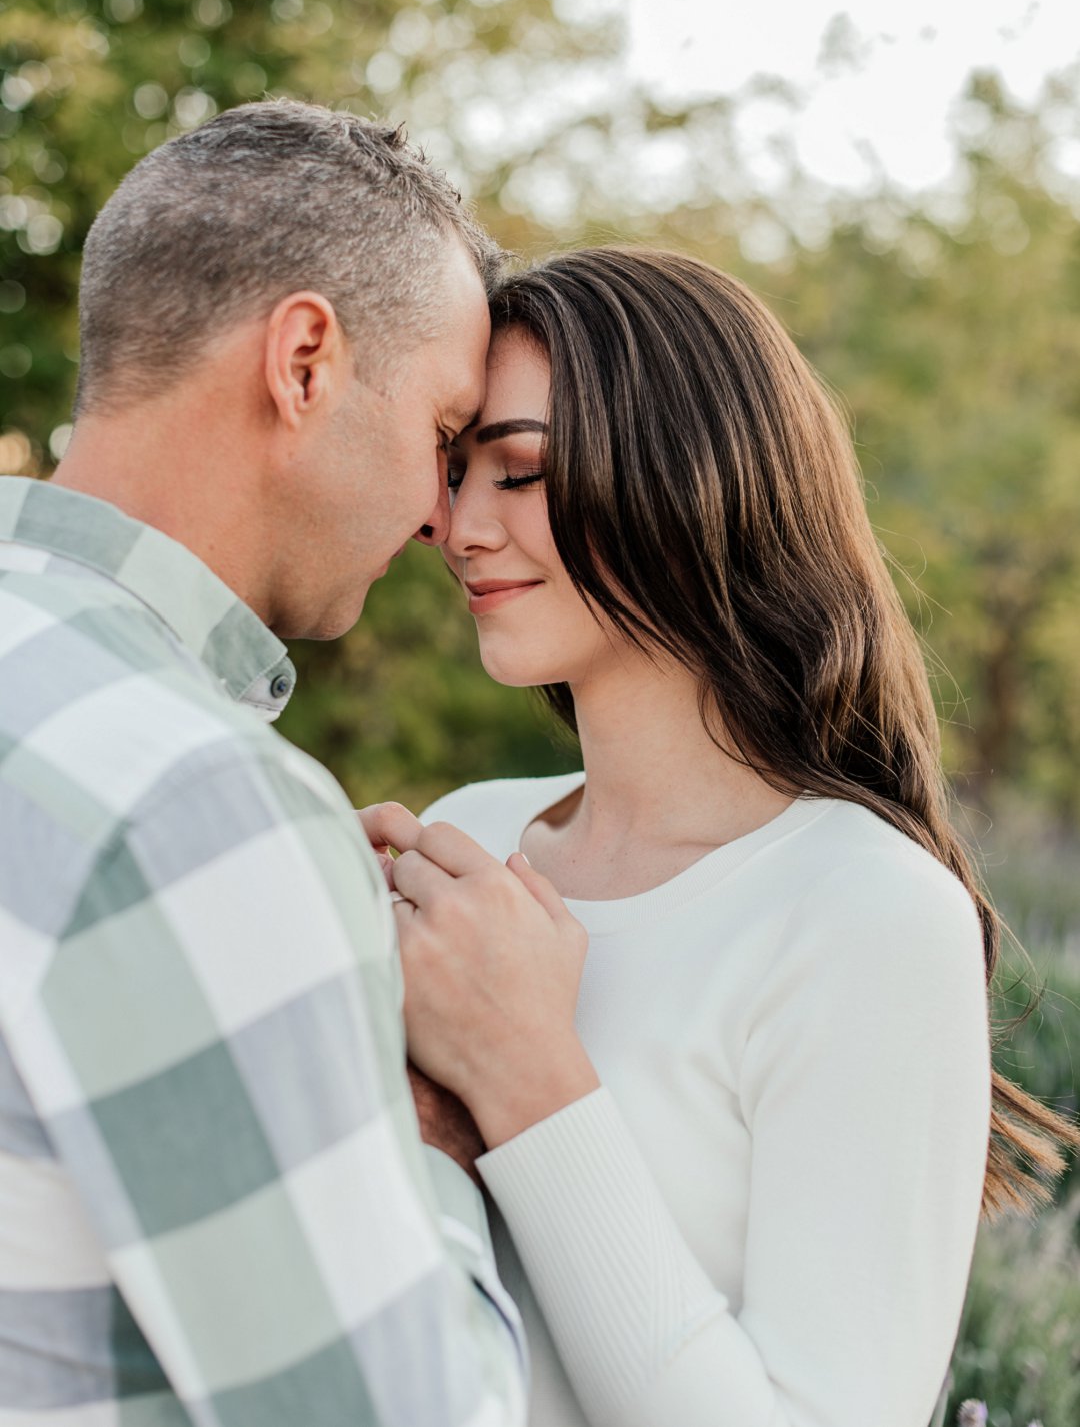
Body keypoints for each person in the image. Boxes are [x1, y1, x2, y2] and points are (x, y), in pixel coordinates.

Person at [364, 247, 1077, 1427]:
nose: (452, 523)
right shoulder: (467, 836)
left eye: (521, 470)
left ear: (688, 482)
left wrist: (530, 1076)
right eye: (453, 469)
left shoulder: (867, 912)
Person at [0, 100, 532, 1424]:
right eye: (444, 432)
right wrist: (434, 1143)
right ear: (304, 360)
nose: (438, 516)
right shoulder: (197, 799)